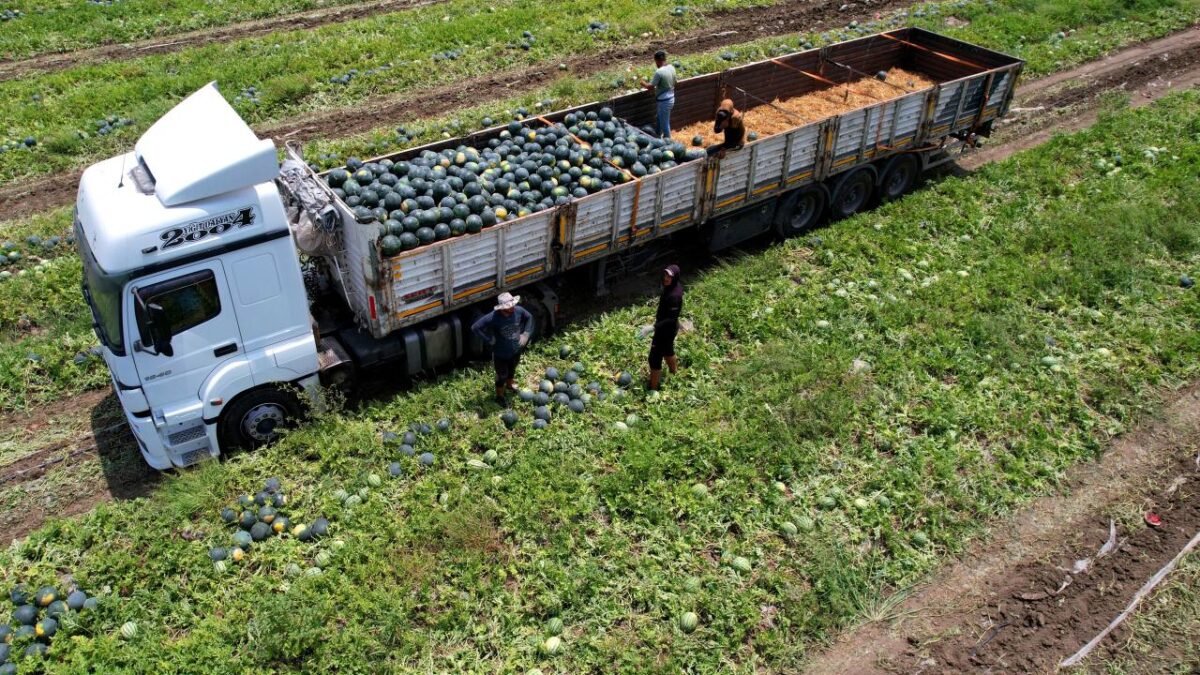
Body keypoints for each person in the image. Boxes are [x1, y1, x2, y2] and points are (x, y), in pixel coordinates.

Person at [471, 292, 534, 403]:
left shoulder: (519, 310)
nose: (512, 308)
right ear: (502, 308)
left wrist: (526, 334)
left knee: (512, 369)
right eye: (509, 307)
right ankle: (499, 396)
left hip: (515, 350)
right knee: (502, 376)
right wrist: (488, 339)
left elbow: (529, 317)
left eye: (513, 305)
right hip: (500, 353)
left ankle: (510, 385)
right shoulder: (493, 317)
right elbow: (475, 327)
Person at [648, 265, 684, 390]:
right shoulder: (673, 286)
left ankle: (653, 388)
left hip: (666, 330)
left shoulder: (674, 296)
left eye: (670, 276)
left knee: (654, 358)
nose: (666, 278)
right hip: (669, 328)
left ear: (675, 277)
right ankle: (674, 373)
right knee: (668, 350)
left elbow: (671, 318)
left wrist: (653, 327)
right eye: (665, 275)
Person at [642, 50, 676, 139]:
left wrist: (643, 83)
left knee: (665, 124)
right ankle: (657, 136)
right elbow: (675, 82)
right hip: (671, 98)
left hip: (664, 101)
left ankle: (668, 141)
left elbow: (650, 87)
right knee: (659, 119)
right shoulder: (671, 67)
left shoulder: (659, 72)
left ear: (657, 60)